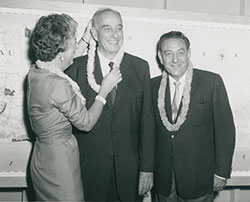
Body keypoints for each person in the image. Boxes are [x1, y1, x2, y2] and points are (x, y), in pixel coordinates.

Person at [27, 13, 121, 201]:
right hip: (59, 163)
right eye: (72, 44)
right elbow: (85, 123)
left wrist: (85, 39)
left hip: (41, 158)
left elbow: (62, 62)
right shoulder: (58, 85)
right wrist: (103, 91)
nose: (75, 49)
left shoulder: (36, 72)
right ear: (60, 52)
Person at [65, 8, 155, 201]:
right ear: (95, 34)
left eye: (119, 28)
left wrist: (147, 169)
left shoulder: (140, 67)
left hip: (129, 174)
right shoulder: (76, 68)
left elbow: (147, 122)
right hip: (88, 173)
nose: (115, 35)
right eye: (107, 29)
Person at [151, 31, 235, 202]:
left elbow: (225, 132)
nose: (175, 59)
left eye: (180, 52)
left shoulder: (211, 82)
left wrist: (221, 172)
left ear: (188, 53)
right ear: (160, 57)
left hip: (199, 178)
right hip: (164, 181)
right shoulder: (152, 86)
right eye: (168, 53)